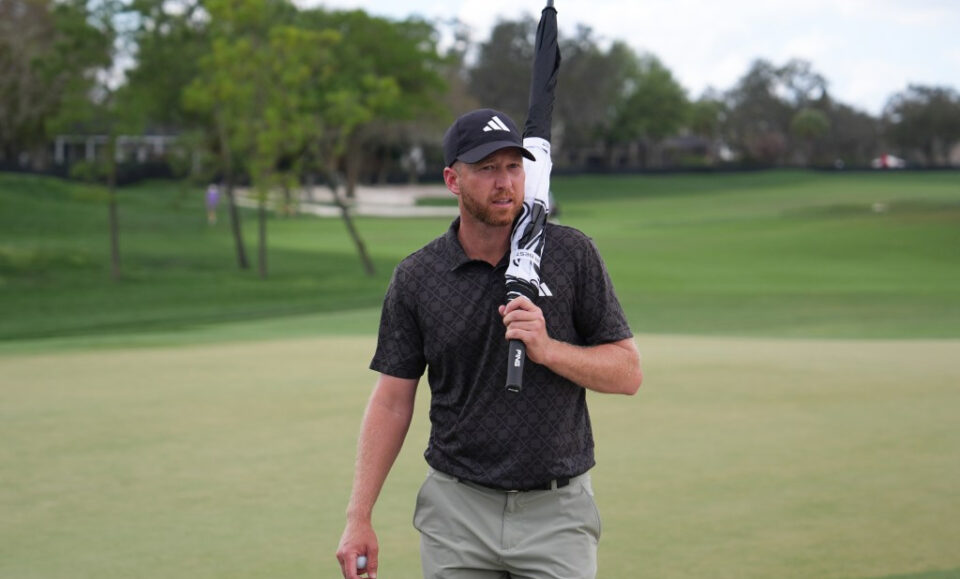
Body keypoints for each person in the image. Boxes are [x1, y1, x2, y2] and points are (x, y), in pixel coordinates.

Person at [336, 108, 643, 579]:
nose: (505, 183)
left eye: (513, 167)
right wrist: (358, 516)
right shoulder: (417, 277)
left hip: (556, 514)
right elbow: (393, 401)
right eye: (487, 169)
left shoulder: (571, 255)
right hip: (457, 514)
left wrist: (549, 349)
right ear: (452, 180)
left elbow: (628, 373)